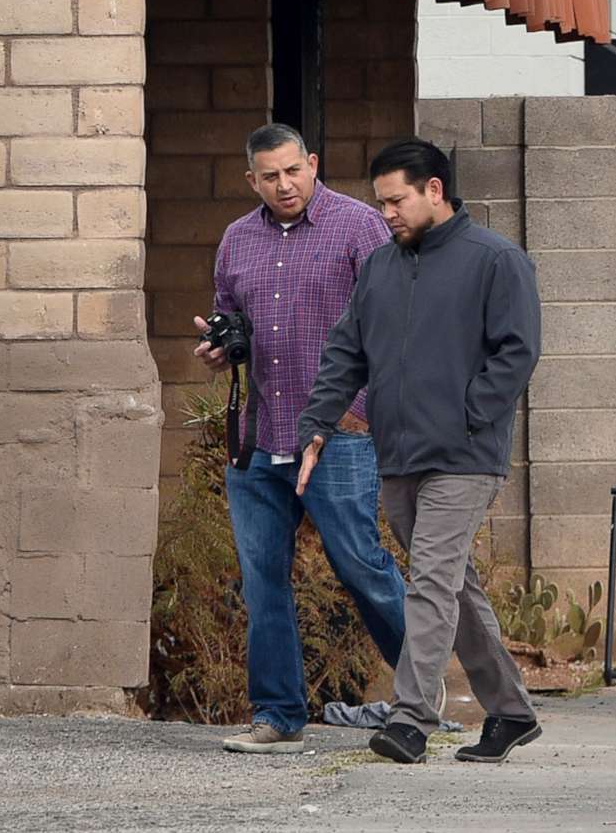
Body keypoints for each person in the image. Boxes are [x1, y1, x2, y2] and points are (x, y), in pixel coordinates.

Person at [294, 138, 544, 766]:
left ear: (435, 190)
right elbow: (346, 352)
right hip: (397, 453)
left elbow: (517, 352)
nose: (387, 214)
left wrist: (467, 417)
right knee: (453, 586)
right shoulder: (380, 267)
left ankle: (410, 720)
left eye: (396, 201)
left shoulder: (496, 260)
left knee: (429, 581)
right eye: (380, 204)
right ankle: (512, 711)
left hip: (463, 456)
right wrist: (317, 424)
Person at [195, 123, 409, 756]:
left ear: (312, 164)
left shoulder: (359, 226)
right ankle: (278, 715)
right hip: (260, 436)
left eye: (293, 171)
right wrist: (217, 348)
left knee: (361, 567)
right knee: (262, 579)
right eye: (269, 176)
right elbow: (229, 318)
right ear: (251, 179)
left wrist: (360, 413)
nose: (283, 185)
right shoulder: (236, 239)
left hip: (338, 435)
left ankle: (424, 695)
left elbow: (393, 323)